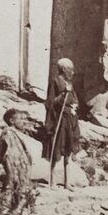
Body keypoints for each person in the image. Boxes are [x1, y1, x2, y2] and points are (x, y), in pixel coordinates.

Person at [44, 57, 80, 188]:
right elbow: (50, 102)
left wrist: (75, 105)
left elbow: (74, 99)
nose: (73, 72)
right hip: (60, 120)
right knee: (57, 148)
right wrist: (63, 94)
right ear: (64, 69)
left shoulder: (70, 84)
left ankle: (67, 182)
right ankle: (52, 181)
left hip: (70, 120)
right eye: (71, 69)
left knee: (68, 150)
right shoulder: (55, 82)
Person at [0, 108, 32, 210]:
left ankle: (9, 214)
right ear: (12, 121)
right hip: (12, 171)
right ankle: (4, 214)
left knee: (17, 194)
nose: (23, 122)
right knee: (10, 192)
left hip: (20, 172)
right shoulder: (7, 133)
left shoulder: (15, 134)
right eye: (20, 119)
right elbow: (0, 153)